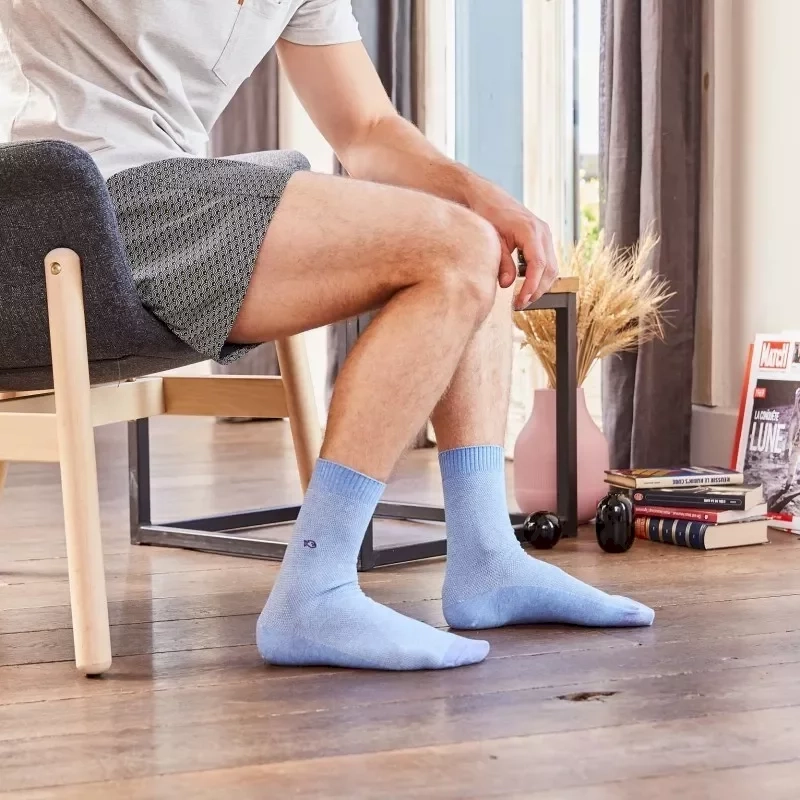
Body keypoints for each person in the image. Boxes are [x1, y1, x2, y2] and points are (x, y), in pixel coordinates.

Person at [3, 0, 654, 672]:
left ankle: (487, 558)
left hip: (174, 197)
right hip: (60, 208)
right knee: (455, 245)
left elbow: (366, 128)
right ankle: (315, 589)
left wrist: (479, 192)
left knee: (476, 239)